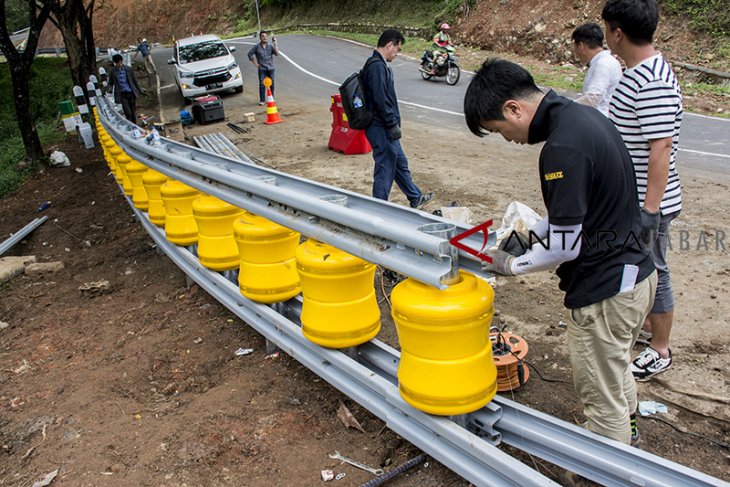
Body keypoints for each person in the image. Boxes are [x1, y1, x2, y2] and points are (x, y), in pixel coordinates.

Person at [464, 58, 656, 446]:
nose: (508, 139)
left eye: (499, 130)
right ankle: (630, 434)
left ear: (513, 109)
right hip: (636, 277)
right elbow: (585, 210)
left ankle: (607, 468)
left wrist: (511, 264)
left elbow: (567, 247)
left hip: (605, 292)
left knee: (601, 401)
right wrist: (531, 232)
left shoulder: (561, 149)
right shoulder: (586, 120)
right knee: (615, 369)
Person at [603, 0, 682, 382]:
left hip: (649, 202)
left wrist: (649, 210)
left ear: (617, 32)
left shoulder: (651, 81)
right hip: (633, 199)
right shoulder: (636, 71)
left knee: (655, 269)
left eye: (606, 28)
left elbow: (661, 147)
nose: (604, 35)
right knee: (640, 268)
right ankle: (648, 329)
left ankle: (660, 349)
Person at [360, 29, 433, 208]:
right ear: (389, 44)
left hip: (384, 127)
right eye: (397, 49)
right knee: (385, 167)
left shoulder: (378, 64)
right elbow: (380, 99)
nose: (397, 53)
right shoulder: (376, 66)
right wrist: (392, 123)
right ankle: (378, 208)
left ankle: (415, 197)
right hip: (381, 126)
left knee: (399, 162)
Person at [571, 23, 622, 117]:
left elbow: (593, 98)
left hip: (602, 119)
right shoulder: (603, 61)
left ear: (581, 46)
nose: (576, 53)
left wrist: (567, 107)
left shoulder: (603, 63)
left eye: (575, 47)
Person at [110, 53, 144, 124]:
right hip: (122, 94)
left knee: (133, 111)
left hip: (131, 93)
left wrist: (140, 90)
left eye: (120, 62)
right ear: (115, 63)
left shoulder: (128, 69)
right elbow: (110, 83)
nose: (119, 64)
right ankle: (130, 125)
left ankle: (135, 125)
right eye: (117, 63)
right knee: (128, 112)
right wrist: (109, 89)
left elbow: (134, 81)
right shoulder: (112, 72)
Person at [248, 31, 279, 106]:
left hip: (271, 68)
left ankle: (271, 98)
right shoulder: (257, 47)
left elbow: (277, 53)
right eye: (262, 36)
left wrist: (275, 44)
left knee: (272, 84)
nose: (264, 37)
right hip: (262, 69)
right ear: (260, 38)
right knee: (262, 84)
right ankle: (262, 100)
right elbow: (249, 54)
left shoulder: (270, 46)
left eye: (265, 36)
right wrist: (255, 64)